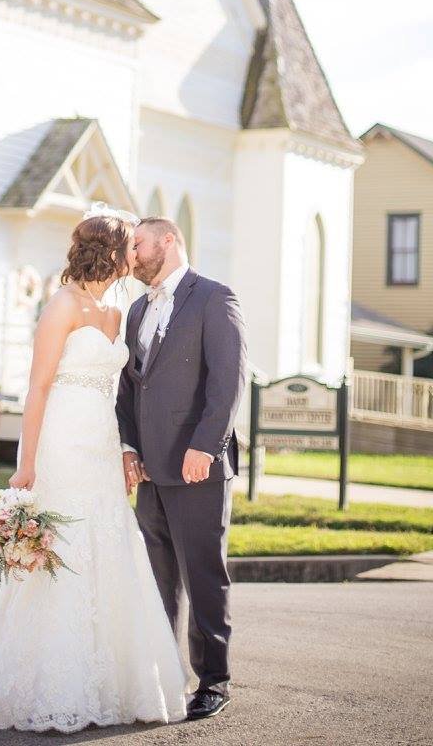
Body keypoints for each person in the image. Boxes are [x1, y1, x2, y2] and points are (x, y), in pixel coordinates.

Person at [0, 212, 187, 732]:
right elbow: (40, 387)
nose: (138, 255)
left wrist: (122, 449)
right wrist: (26, 464)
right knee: (62, 546)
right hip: (62, 442)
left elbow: (117, 392)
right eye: (130, 248)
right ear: (112, 253)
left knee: (108, 543)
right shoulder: (62, 305)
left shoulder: (115, 308)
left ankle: (113, 679)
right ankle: (46, 678)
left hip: (101, 441)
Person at [117, 217, 248, 721]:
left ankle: (215, 679)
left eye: (139, 245)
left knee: (203, 576)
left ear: (168, 241)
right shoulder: (135, 310)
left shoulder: (214, 298)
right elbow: (130, 387)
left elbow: (228, 382)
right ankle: (164, 675)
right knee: (158, 579)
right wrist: (130, 448)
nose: (131, 256)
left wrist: (205, 447)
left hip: (198, 467)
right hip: (151, 471)